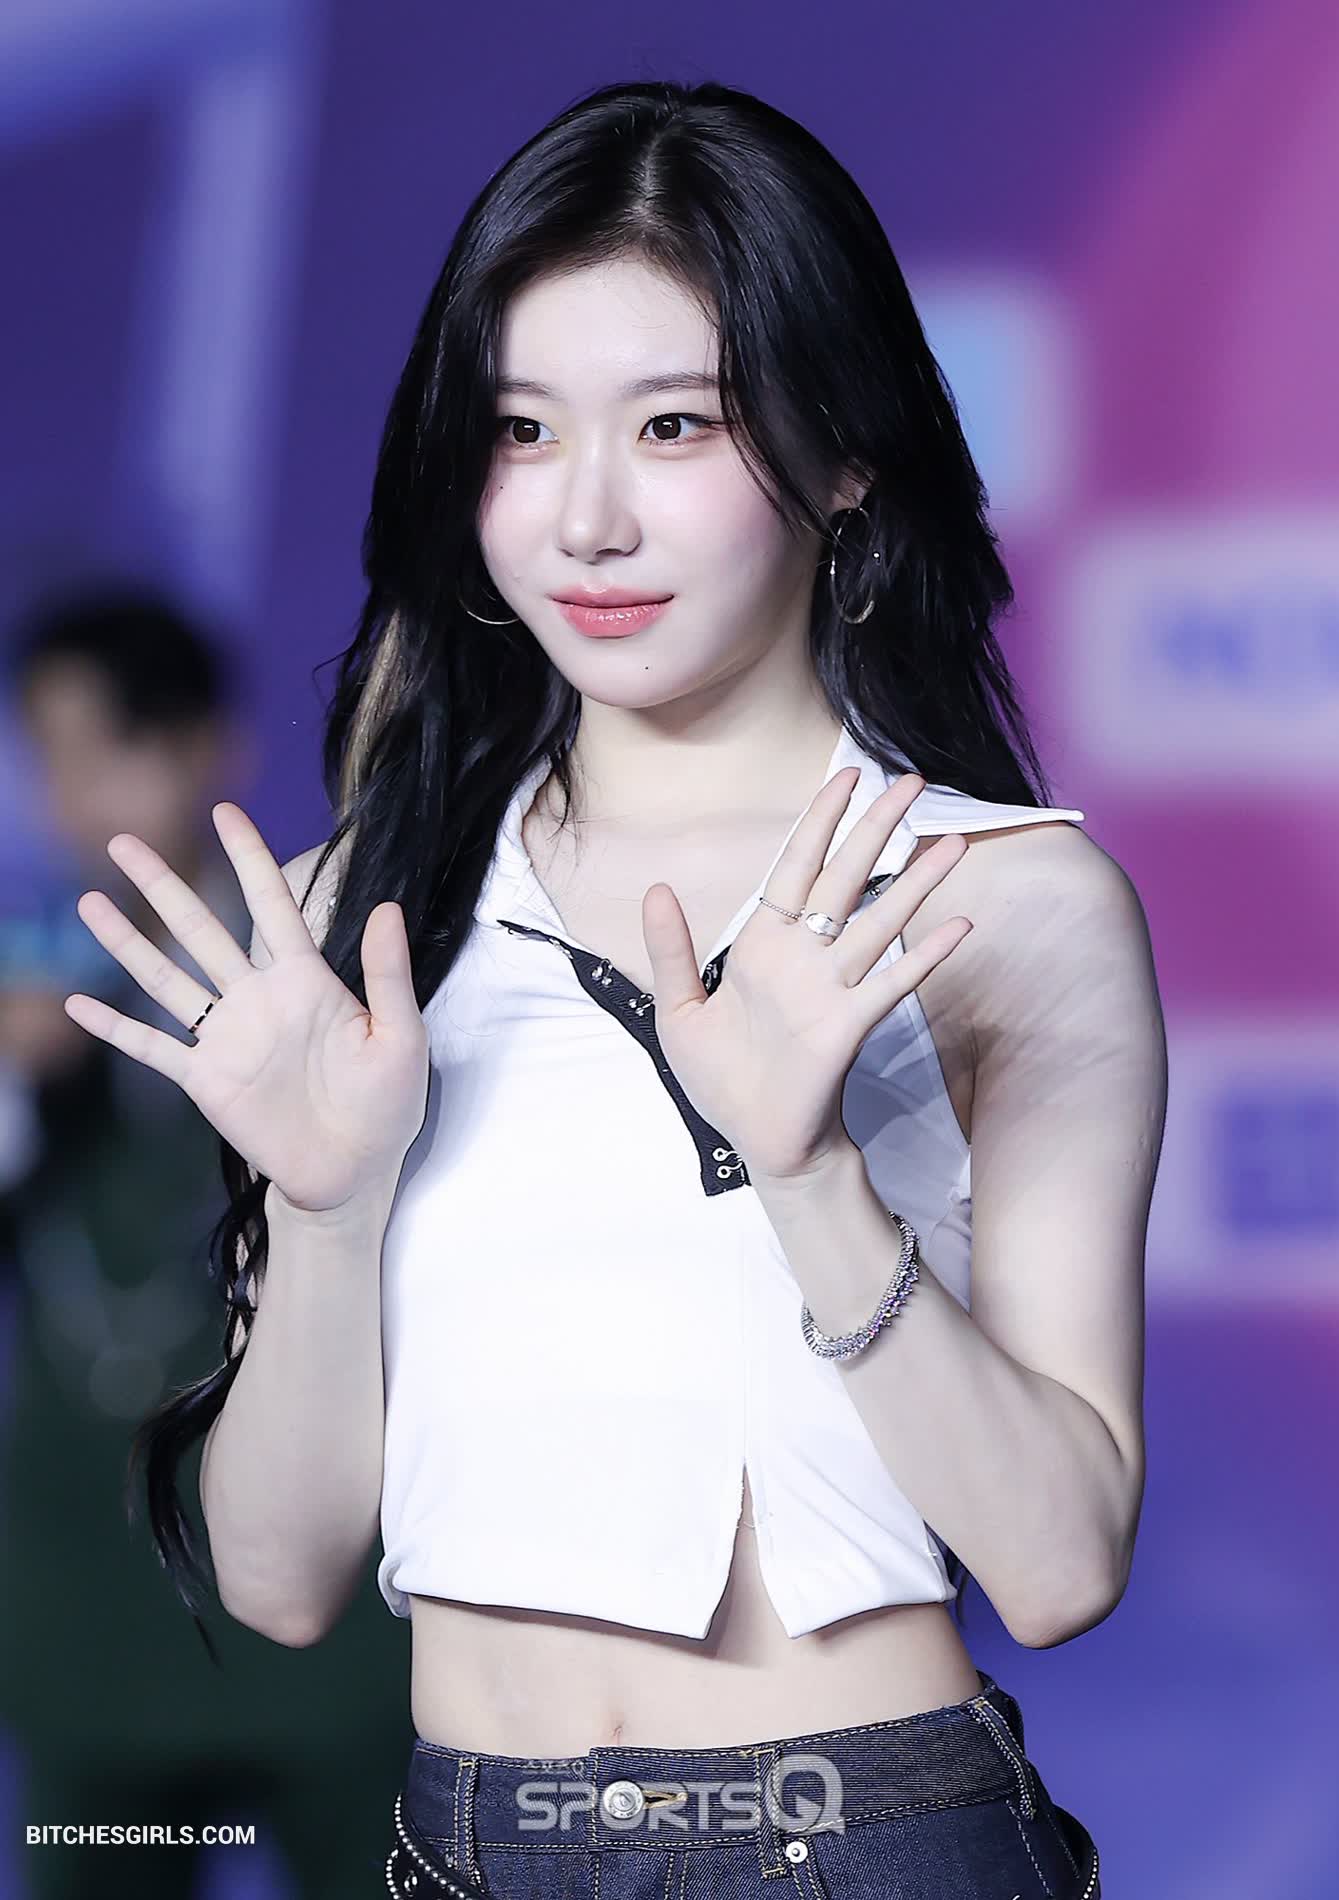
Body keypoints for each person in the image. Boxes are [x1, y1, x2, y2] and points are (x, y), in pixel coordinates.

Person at [57, 80, 1165, 1899]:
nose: (584, 518)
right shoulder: (368, 910)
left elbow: (1057, 1569)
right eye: (519, 430)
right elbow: (279, 1581)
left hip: (853, 1836)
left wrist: (807, 1174)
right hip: (460, 1843)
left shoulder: (997, 901)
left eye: (672, 426)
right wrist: (325, 1215)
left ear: (843, 453)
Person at [0, 589, 414, 1898]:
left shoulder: (326, 957)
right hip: (89, 1598)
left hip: (328, 1604)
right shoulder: (21, 981)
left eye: (114, 745)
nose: (81, 793)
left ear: (208, 746)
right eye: (51, 752)